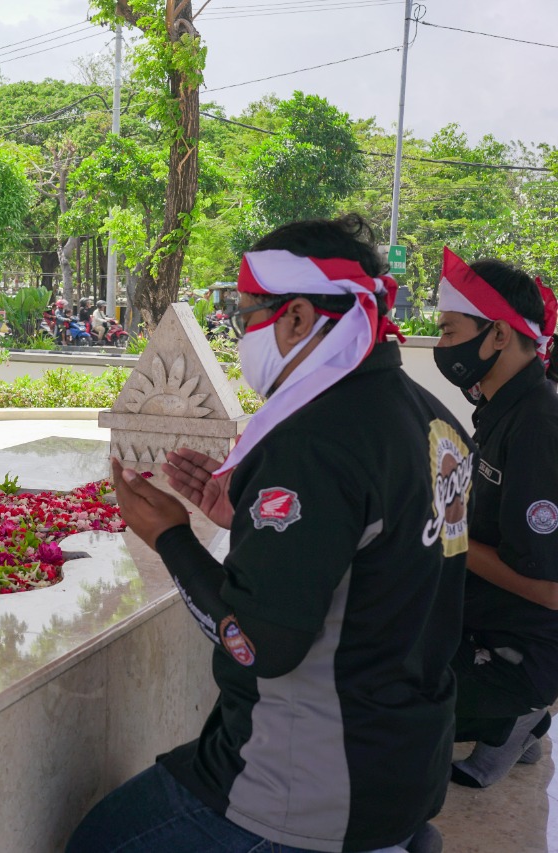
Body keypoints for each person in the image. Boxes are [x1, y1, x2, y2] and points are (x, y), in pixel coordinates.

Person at [68, 215, 469, 853]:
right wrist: (246, 515)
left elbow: (259, 645)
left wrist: (170, 535)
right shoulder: (430, 417)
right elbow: (369, 561)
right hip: (406, 755)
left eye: (244, 313)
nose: (238, 332)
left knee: (99, 842)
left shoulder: (315, 440)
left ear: (299, 318)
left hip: (310, 782)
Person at [432, 247, 558, 789]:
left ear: (500, 335)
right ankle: (523, 725)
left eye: (449, 330)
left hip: (519, 642)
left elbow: (551, 590)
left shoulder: (538, 424)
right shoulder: (502, 405)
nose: (441, 345)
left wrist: (447, 532)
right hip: (489, 614)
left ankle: (518, 709)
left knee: (378, 686)